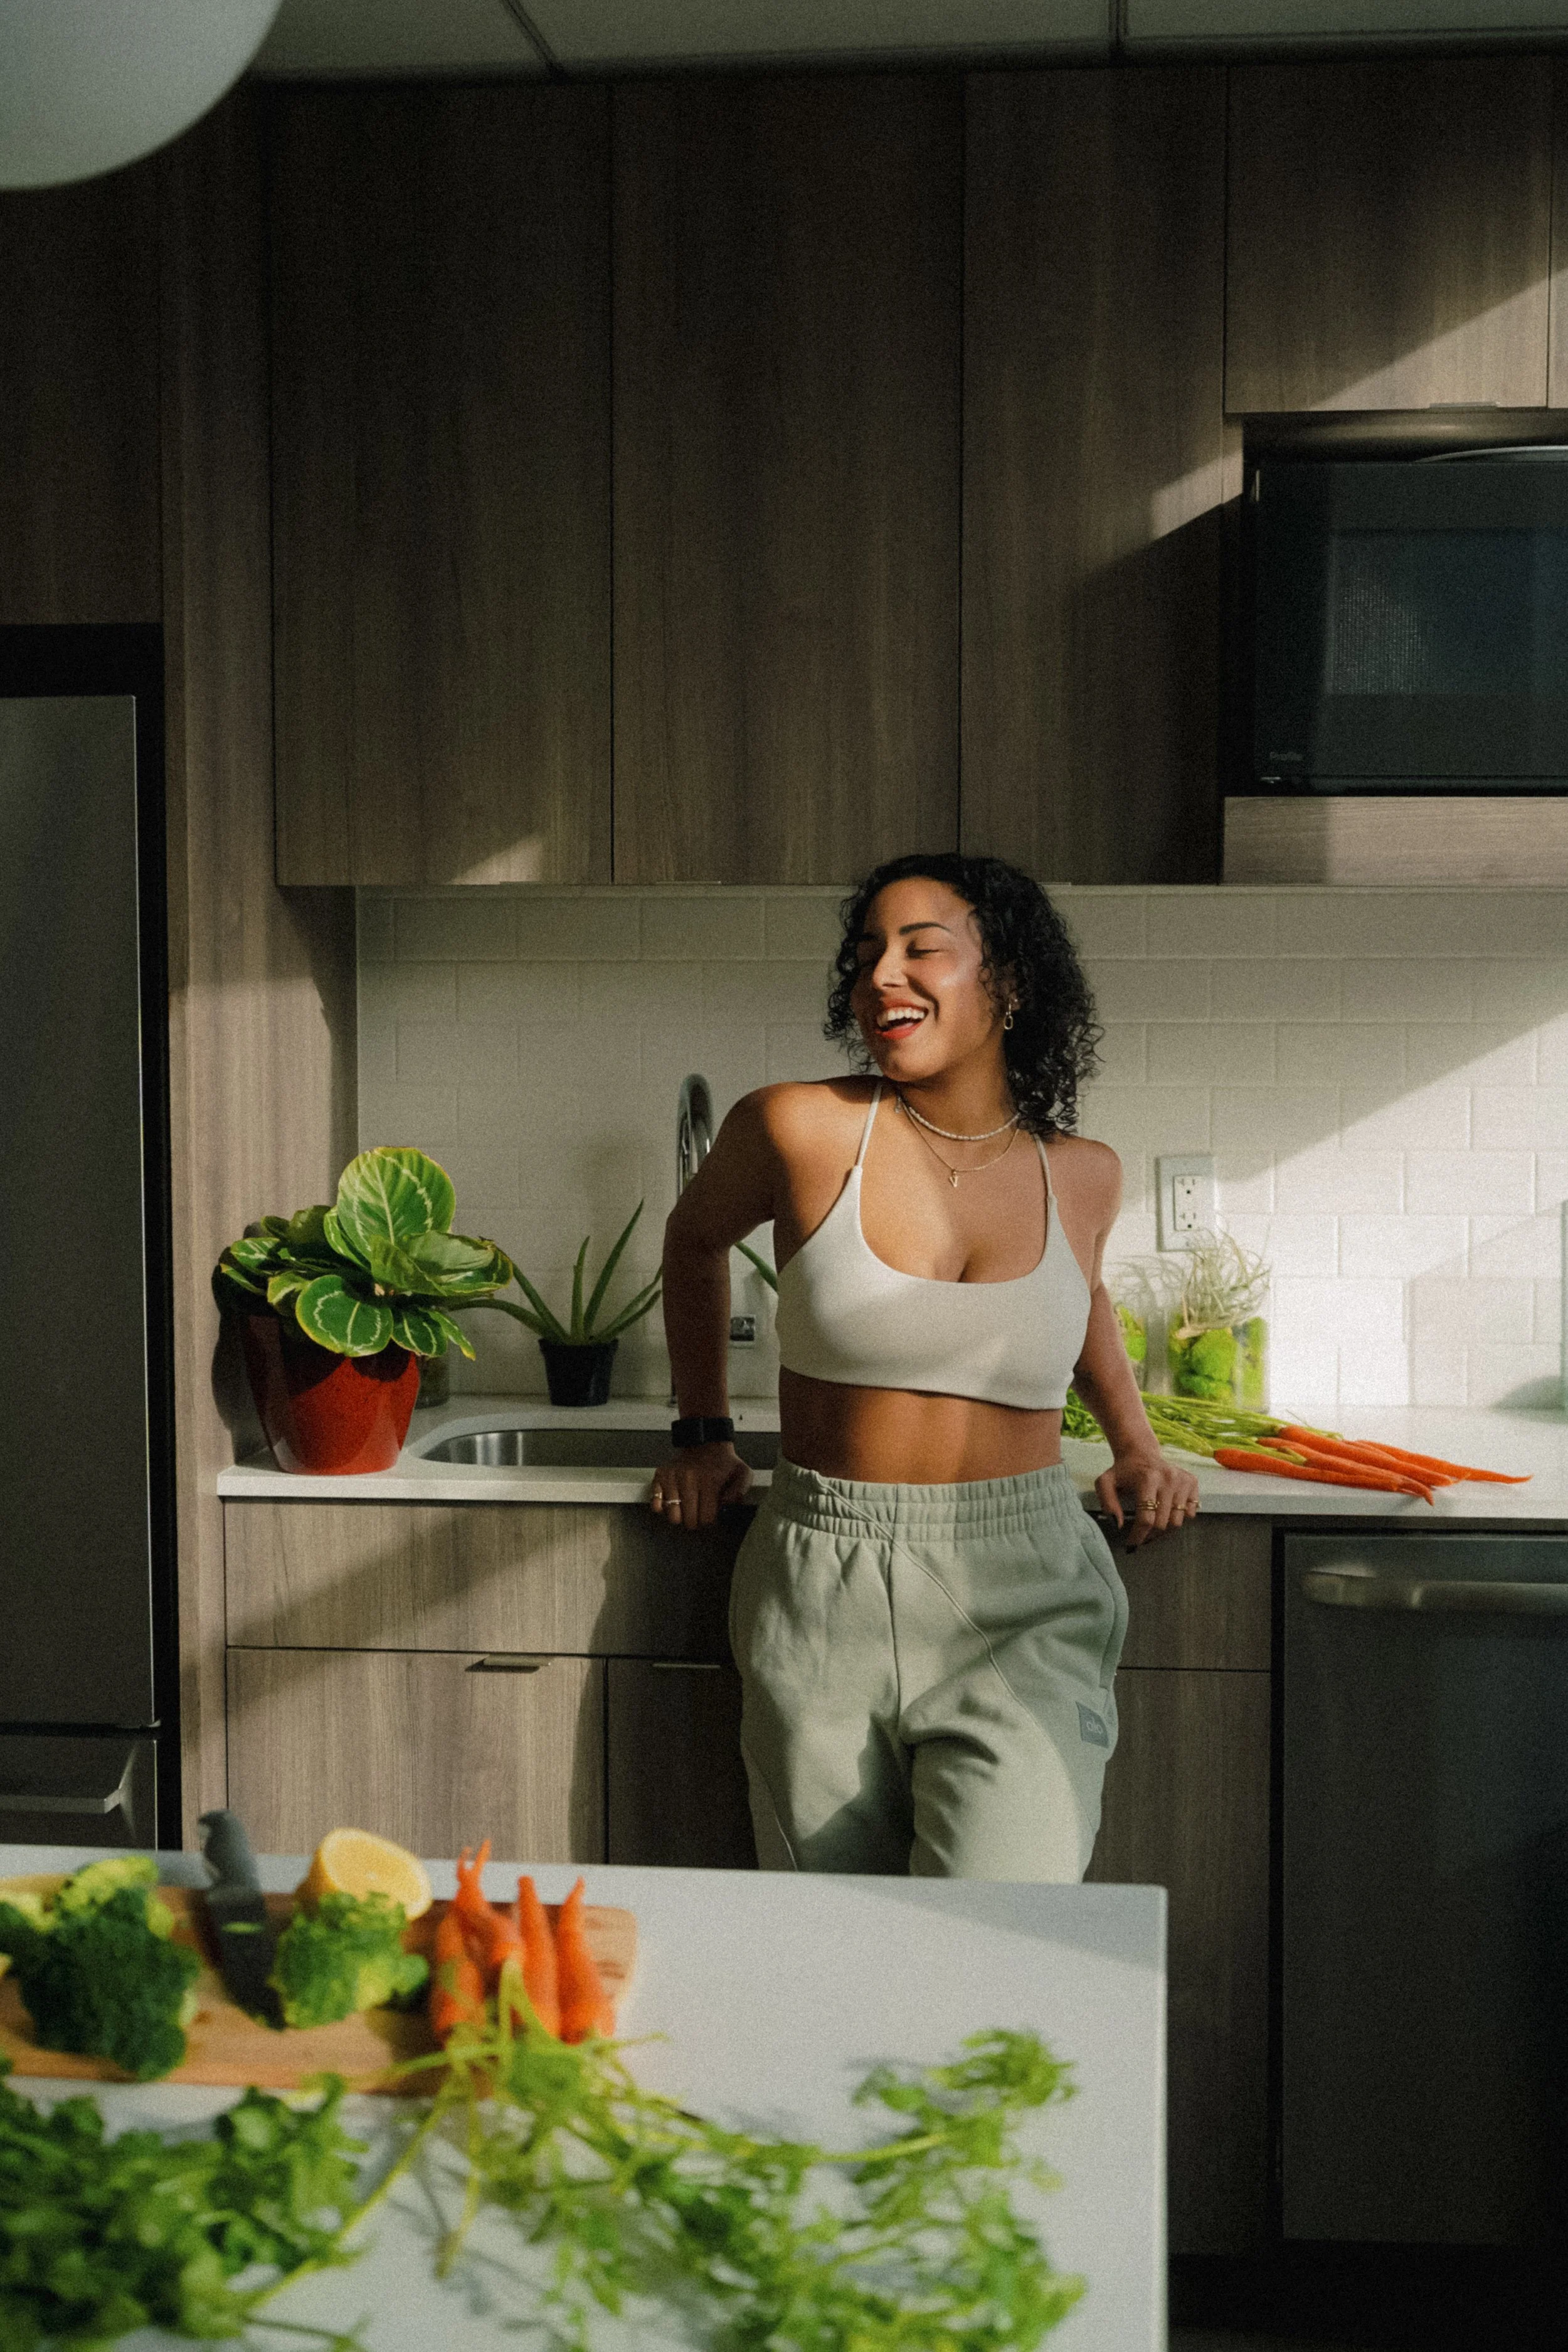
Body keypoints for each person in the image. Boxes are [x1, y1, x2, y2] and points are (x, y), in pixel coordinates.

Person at [650, 851, 1199, 1880]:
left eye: (920, 949)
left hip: (1024, 1586)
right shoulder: (798, 1126)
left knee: (1003, 1937)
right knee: (839, 1953)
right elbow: (693, 1240)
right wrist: (703, 1434)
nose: (879, 978)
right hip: (822, 1578)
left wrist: (1136, 1443)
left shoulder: (1081, 1173)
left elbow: (1075, 1296)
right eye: (864, 958)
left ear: (1010, 981)